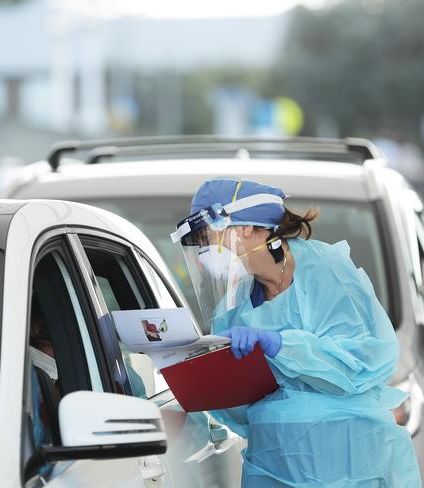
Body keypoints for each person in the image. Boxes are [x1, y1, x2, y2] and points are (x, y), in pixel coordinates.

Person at [170, 178, 421, 487]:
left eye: (207, 237)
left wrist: (282, 346)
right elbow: (236, 409)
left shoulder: (323, 269)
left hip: (350, 463)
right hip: (273, 465)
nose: (204, 252)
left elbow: (366, 360)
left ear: (245, 227)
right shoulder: (234, 307)